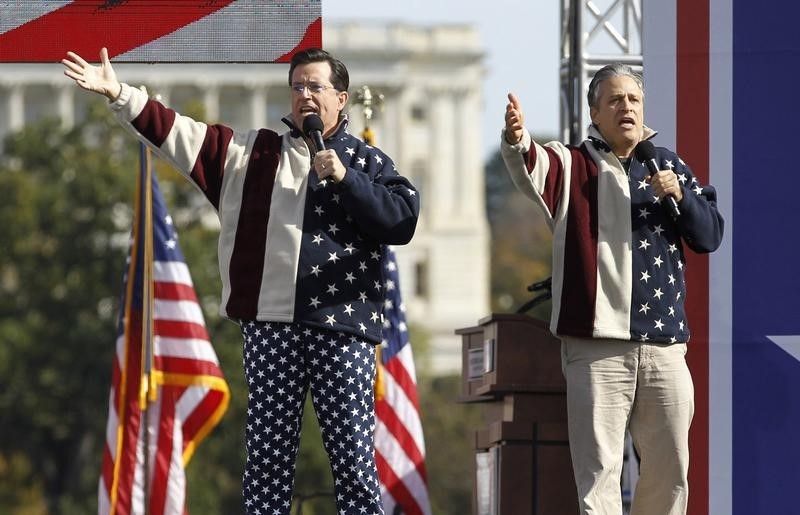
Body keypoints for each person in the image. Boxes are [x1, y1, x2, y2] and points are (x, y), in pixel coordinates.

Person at [62, 47, 420, 515]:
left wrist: (347, 178)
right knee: (267, 466)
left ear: (342, 98)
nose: (305, 96)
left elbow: (403, 221)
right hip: (269, 328)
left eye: (316, 86)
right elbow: (177, 133)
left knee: (353, 462)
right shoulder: (250, 153)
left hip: (343, 331)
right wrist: (119, 93)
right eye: (297, 86)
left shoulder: (368, 162)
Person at [500, 63, 723, 514]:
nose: (626, 107)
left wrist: (679, 195)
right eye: (615, 100)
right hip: (596, 345)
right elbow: (532, 164)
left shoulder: (668, 165)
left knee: (671, 469)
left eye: (634, 99)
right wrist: (517, 139)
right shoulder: (572, 163)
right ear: (595, 114)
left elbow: (709, 236)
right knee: (599, 472)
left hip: (664, 347)